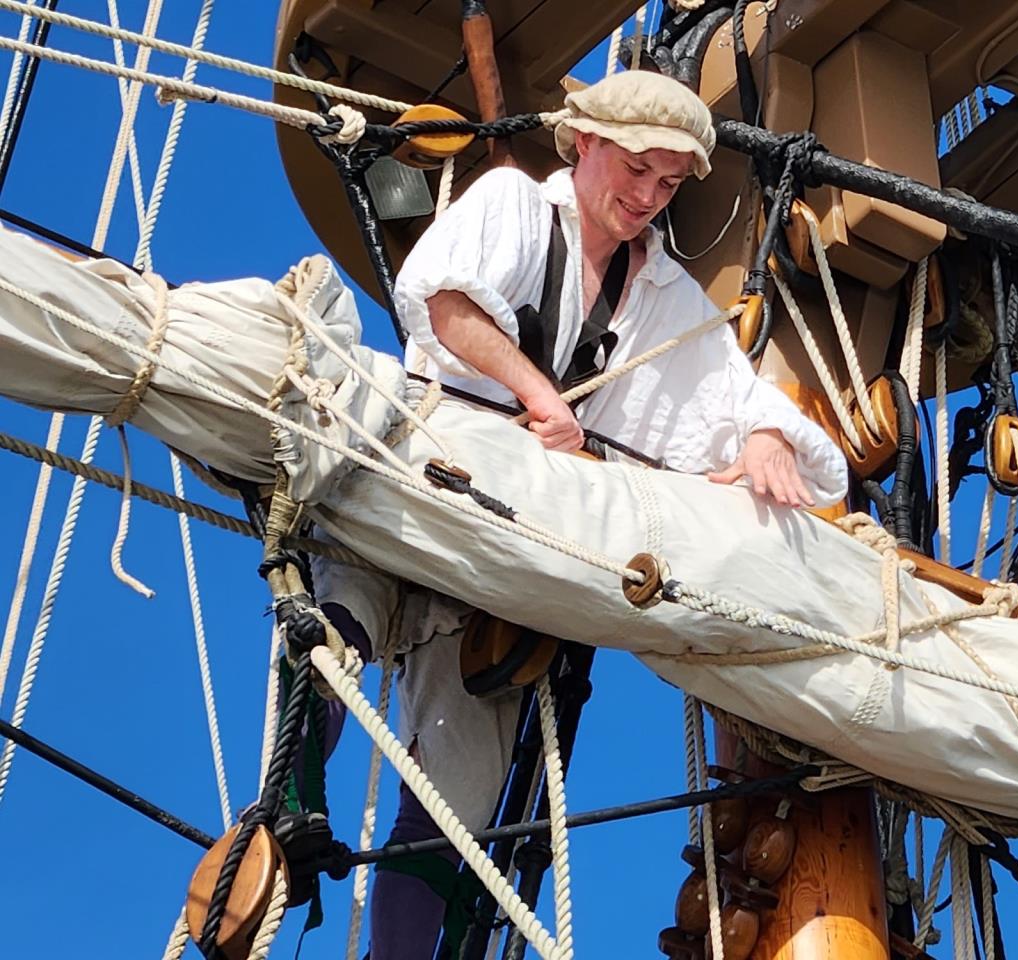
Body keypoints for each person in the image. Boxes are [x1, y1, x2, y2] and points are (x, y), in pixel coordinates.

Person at [314, 70, 846, 958]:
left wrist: (765, 441)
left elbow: (728, 392)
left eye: (670, 184)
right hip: (427, 469)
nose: (646, 197)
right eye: (635, 168)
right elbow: (444, 302)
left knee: (458, 792)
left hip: (511, 554)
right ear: (585, 142)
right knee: (336, 636)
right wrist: (537, 396)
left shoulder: (665, 293)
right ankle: (282, 819)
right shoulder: (516, 205)